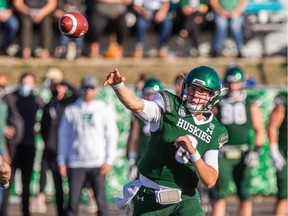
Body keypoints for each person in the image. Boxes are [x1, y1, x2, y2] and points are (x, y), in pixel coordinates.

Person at [104, 66, 228, 215]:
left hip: (186, 197)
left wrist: (193, 153)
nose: (195, 94)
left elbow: (210, 180)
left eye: (202, 91)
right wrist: (118, 86)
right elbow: (136, 105)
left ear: (212, 96)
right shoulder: (169, 105)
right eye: (193, 88)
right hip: (151, 195)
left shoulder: (215, 129)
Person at [57, 75, 118, 216]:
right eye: (85, 88)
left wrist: (109, 161)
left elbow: (111, 136)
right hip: (75, 163)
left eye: (91, 88)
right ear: (81, 89)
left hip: (97, 162)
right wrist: (62, 161)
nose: (88, 91)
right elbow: (63, 137)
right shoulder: (71, 110)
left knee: (101, 203)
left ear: (96, 90)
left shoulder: (103, 109)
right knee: (72, 204)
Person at [211, 66, 265, 216]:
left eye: (236, 82)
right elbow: (210, 126)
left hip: (243, 152)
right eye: (231, 82)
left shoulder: (250, 102)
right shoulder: (219, 102)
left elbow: (259, 128)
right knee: (219, 193)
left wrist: (256, 151)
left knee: (245, 194)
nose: (233, 85)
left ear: (243, 82)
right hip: (223, 153)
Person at [30, 68, 80, 215]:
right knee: (55, 184)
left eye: (58, 85)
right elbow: (43, 126)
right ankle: (58, 211)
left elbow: (77, 93)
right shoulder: (49, 104)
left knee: (72, 185)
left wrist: (63, 81)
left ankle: (72, 210)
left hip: (67, 150)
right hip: (51, 149)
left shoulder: (69, 103)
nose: (56, 88)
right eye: (54, 85)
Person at [1, 72, 45, 216]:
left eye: (29, 83)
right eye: (23, 82)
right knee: (8, 181)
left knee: (26, 183)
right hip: (13, 146)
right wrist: (4, 128)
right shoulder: (10, 97)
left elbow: (48, 115)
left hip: (29, 145)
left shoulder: (36, 99)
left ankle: (26, 212)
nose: (25, 85)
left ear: (33, 85)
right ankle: (3, 212)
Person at [127, 78, 164, 181]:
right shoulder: (139, 114)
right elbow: (135, 137)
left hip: (162, 162)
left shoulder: (167, 113)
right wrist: (132, 160)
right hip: (144, 159)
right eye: (146, 93)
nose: (148, 96)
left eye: (152, 93)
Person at [268, 91, 287, 216]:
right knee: (284, 194)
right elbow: (272, 127)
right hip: (285, 154)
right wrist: (274, 151)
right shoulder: (284, 100)